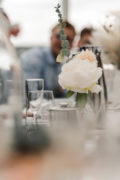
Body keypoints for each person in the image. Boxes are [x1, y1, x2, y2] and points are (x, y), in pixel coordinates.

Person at [20, 21, 76, 98]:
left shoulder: (63, 65)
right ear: (51, 38)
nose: (62, 42)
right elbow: (31, 98)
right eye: (59, 36)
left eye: (67, 39)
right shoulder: (33, 58)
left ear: (72, 45)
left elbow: (67, 96)